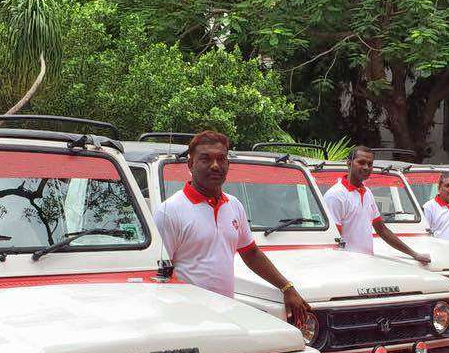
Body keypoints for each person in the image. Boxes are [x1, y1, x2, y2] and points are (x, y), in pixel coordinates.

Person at [154, 130, 312, 324]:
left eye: (221, 159)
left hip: (227, 315)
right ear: (190, 164)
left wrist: (287, 288)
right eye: (205, 159)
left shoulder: (234, 205)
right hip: (188, 319)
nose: (215, 165)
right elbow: (158, 274)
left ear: (228, 164)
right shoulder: (170, 211)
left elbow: (251, 253)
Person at [322, 146, 431, 263]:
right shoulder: (335, 195)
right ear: (349, 163)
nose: (366, 167)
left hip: (367, 263)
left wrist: (414, 254)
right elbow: (332, 240)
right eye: (361, 162)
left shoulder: (367, 193)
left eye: (370, 164)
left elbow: (382, 230)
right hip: (347, 266)